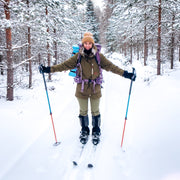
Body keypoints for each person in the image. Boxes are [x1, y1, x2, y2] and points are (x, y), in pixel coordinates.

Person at [40, 32, 136, 145]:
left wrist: (126, 74)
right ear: (83, 44)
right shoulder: (78, 56)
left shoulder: (99, 56)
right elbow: (64, 65)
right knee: (83, 111)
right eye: (85, 43)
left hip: (95, 88)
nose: (87, 45)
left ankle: (96, 131)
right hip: (82, 89)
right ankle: (84, 130)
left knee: (95, 111)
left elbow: (111, 67)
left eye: (89, 43)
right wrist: (48, 69)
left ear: (92, 44)